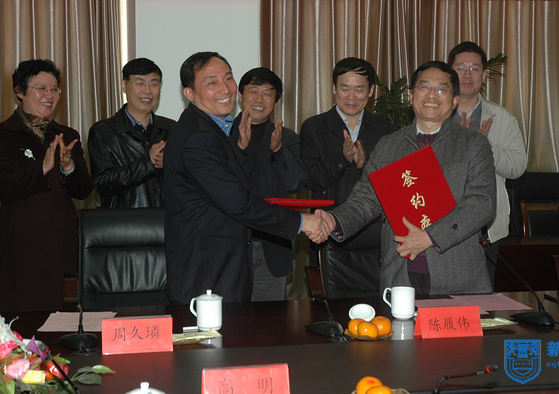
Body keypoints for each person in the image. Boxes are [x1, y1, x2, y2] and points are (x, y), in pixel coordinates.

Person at [314, 61, 496, 296]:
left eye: (441, 89)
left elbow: (481, 203)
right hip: (400, 275)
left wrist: (430, 237)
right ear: (411, 96)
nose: (432, 95)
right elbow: (366, 200)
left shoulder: (473, 144)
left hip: (457, 275)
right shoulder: (389, 146)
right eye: (424, 87)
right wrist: (333, 220)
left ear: (454, 100)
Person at [163, 52, 327, 304]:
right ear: (189, 93)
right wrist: (302, 222)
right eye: (212, 82)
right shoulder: (199, 137)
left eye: (228, 78)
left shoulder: (214, 129)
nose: (224, 88)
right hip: (208, 268)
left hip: (228, 261)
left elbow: (289, 182)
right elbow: (238, 201)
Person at [0, 59, 93, 313]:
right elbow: (1, 187)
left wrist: (68, 167)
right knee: (22, 321)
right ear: (20, 91)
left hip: (62, 246)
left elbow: (84, 190)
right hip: (21, 248)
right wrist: (41, 169)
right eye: (41, 88)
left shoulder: (67, 135)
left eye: (55, 89)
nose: (50, 96)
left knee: (64, 321)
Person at [299, 57, 394, 267]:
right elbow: (311, 180)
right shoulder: (314, 127)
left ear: (371, 91)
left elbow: (391, 187)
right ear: (334, 88)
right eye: (345, 88)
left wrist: (363, 167)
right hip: (327, 231)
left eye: (359, 89)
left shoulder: (385, 130)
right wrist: (342, 160)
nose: (351, 97)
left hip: (373, 235)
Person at [447, 42, 527, 284]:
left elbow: (517, 167)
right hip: (441, 223)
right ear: (450, 72)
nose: (467, 75)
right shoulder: (435, 114)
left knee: (483, 297)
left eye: (474, 69)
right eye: (461, 68)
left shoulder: (502, 118)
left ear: (483, 75)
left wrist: (485, 146)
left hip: (486, 227)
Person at [229, 67, 307, 301]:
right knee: (230, 319)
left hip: (271, 246)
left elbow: (295, 184)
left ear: (276, 100)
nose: (259, 99)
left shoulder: (287, 138)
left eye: (267, 93)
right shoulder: (222, 135)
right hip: (230, 247)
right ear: (240, 95)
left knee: (269, 320)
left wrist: (278, 150)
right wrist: (239, 148)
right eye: (254, 91)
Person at [88, 58, 176, 208]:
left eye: (154, 84)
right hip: (125, 220)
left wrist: (170, 163)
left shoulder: (172, 128)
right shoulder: (103, 131)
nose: (147, 91)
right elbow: (102, 183)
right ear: (124, 85)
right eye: (139, 83)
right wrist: (148, 163)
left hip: (167, 219)